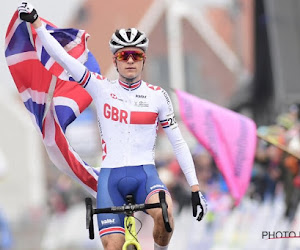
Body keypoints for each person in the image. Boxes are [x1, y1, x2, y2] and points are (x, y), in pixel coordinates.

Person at [18, 2, 208, 249]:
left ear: (143, 60)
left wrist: (195, 189)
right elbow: (62, 58)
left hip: (145, 176)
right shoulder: (101, 87)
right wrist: (37, 24)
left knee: (166, 215)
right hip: (111, 179)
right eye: (123, 55)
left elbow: (178, 142)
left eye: (136, 55)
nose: (130, 60)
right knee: (112, 245)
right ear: (115, 60)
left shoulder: (158, 96)